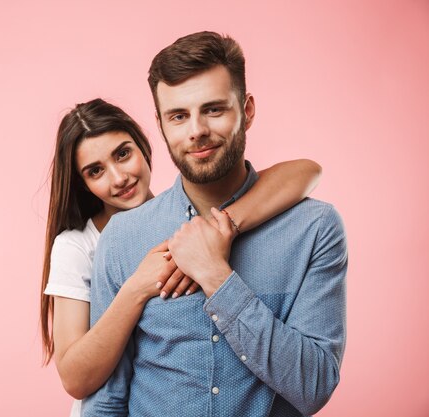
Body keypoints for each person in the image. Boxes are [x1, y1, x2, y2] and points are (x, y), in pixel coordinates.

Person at [82, 32, 348, 417]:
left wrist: (217, 278)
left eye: (214, 110)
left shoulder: (315, 228)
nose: (196, 131)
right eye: (178, 116)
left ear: (247, 110)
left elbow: (314, 387)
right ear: (160, 124)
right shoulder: (122, 239)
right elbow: (107, 400)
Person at [40, 99, 322, 417]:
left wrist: (218, 229)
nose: (119, 178)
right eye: (96, 171)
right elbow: (75, 378)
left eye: (123, 153)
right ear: (84, 184)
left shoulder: (185, 218)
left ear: (145, 144)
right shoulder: (77, 247)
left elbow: (307, 171)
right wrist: (137, 287)